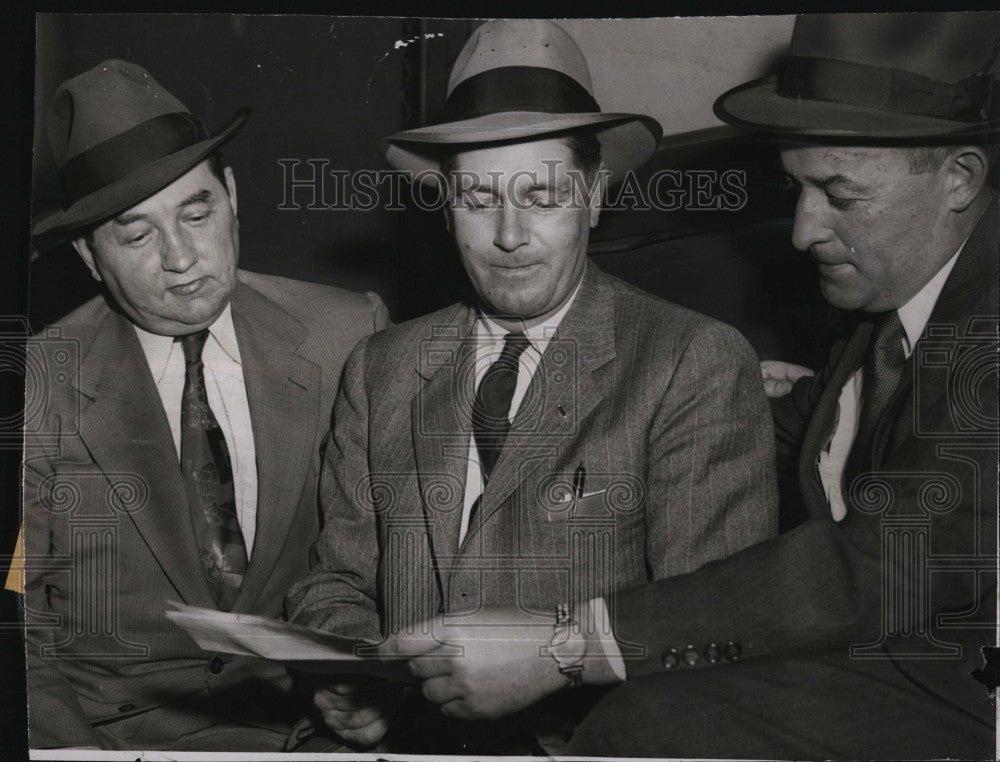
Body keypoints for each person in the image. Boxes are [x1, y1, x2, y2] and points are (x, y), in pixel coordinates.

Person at [356, 13, 998, 759]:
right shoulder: (888, 321)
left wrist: (568, 645)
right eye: (797, 187)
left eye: (839, 195)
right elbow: (851, 427)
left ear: (959, 179)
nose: (801, 230)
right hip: (895, 679)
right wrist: (729, 396)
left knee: (654, 724)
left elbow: (881, 560)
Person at [285, 20, 778, 752]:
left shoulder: (690, 361)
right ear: (445, 208)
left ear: (595, 196)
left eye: (542, 196)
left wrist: (555, 665)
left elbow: (712, 630)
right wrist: (350, 669)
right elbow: (335, 580)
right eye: (479, 199)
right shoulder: (381, 366)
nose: (509, 235)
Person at [23, 59, 387, 751]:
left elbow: (382, 561)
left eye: (197, 212)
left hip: (307, 732)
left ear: (233, 197)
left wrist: (361, 679)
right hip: (116, 739)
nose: (182, 257)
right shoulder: (35, 385)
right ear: (89, 256)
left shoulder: (349, 333)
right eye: (137, 235)